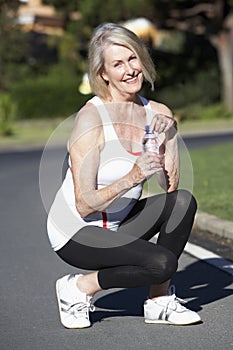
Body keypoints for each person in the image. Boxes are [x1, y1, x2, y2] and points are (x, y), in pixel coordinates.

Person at [47, 22, 201, 329]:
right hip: (75, 231)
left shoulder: (155, 110)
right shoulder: (91, 119)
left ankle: (159, 302)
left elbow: (169, 186)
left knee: (183, 202)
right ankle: (78, 287)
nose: (130, 70)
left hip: (120, 225)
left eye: (133, 59)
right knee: (161, 262)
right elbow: (83, 204)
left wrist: (169, 134)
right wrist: (133, 176)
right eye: (118, 64)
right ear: (103, 73)